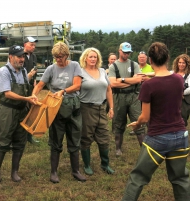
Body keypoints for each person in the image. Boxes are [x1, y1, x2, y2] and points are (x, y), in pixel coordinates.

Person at [122, 42, 190, 201]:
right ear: (168, 58)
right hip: (180, 136)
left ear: (150, 60)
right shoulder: (179, 80)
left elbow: (145, 117)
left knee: (137, 178)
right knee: (180, 179)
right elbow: (168, 77)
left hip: (157, 139)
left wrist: (137, 124)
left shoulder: (148, 86)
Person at [32, 42, 86, 183]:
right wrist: (34, 95)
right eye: (56, 57)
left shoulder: (74, 66)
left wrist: (64, 91)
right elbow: (40, 84)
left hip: (73, 106)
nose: (58, 60)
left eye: (60, 57)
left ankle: (76, 171)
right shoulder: (51, 68)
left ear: (67, 55)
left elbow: (77, 85)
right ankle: (54, 172)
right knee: (56, 139)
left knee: (74, 139)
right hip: (56, 108)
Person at [0, 45, 37, 183]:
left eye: (23, 56)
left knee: (20, 141)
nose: (22, 59)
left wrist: (31, 98)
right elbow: (8, 93)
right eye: (19, 56)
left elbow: (26, 89)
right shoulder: (3, 72)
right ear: (10, 56)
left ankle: (14, 172)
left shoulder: (24, 71)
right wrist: (25, 99)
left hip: (22, 111)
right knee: (3, 140)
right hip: (7, 111)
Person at [79, 47, 115, 176]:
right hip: (86, 109)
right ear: (85, 59)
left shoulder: (102, 71)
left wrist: (111, 108)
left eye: (95, 57)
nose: (93, 59)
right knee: (86, 137)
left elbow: (109, 90)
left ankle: (105, 164)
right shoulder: (80, 72)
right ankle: (87, 165)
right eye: (90, 57)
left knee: (104, 137)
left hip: (101, 108)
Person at [108, 42, 145, 156]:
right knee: (118, 122)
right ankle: (118, 148)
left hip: (134, 96)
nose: (127, 54)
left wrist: (122, 80)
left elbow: (138, 80)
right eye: (124, 52)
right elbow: (113, 84)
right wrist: (130, 81)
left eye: (128, 52)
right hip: (119, 97)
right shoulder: (113, 66)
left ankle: (144, 150)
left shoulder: (134, 65)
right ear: (119, 51)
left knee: (138, 121)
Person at [129, 51, 155, 136]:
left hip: (149, 93)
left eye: (143, 57)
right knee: (136, 112)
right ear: (138, 58)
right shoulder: (134, 67)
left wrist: (147, 79)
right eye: (140, 57)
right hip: (136, 92)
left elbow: (157, 79)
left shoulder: (151, 67)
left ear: (146, 58)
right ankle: (137, 128)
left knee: (148, 111)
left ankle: (149, 129)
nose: (142, 59)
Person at [23, 36, 39, 144]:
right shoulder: (19, 55)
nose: (33, 47)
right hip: (21, 87)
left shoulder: (34, 56)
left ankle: (29, 135)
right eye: (31, 44)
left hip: (31, 87)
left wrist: (35, 80)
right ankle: (20, 135)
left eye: (34, 45)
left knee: (31, 110)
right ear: (25, 44)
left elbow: (35, 69)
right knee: (22, 110)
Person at [172, 54, 190, 126]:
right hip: (172, 100)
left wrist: (181, 93)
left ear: (187, 64)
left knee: (182, 120)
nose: (181, 64)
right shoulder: (172, 73)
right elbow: (159, 74)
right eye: (179, 62)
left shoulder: (188, 75)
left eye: (183, 63)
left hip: (183, 101)